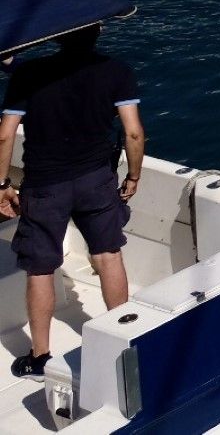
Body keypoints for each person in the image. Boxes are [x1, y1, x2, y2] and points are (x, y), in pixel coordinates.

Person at [0, 24, 144, 378]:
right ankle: (122, 338)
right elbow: (133, 132)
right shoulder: (117, 71)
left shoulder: (29, 74)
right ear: (97, 33)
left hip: (45, 186)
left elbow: (5, 134)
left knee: (41, 267)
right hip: (97, 179)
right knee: (108, 254)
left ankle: (40, 357)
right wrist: (134, 176)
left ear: (55, 36)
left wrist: (2, 183)